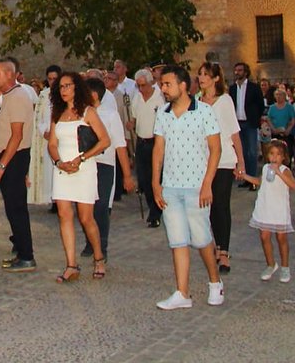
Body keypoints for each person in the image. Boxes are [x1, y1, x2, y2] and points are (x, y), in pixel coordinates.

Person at [152, 64, 224, 310]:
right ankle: (182, 292)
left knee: (202, 238)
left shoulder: (204, 111)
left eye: (168, 84)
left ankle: (215, 282)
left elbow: (216, 149)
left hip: (196, 186)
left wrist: (207, 184)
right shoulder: (162, 113)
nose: (163, 88)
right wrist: (155, 183)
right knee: (178, 240)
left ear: (183, 86)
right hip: (171, 186)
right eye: (162, 84)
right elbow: (158, 150)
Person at [48, 72, 110, 282]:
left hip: (83, 168)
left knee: (85, 218)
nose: (64, 90)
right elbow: (52, 144)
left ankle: (99, 257)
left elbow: (104, 141)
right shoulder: (57, 113)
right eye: (61, 87)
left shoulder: (88, 112)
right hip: (62, 169)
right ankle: (71, 264)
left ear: (77, 88)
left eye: (68, 86)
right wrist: (59, 162)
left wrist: (81, 158)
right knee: (64, 215)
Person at [0, 59, 36, 272]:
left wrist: (2, 165)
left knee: (16, 208)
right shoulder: (9, 96)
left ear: (9, 74)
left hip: (13, 157)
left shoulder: (17, 97)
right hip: (10, 157)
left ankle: (26, 256)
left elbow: (17, 136)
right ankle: (22, 252)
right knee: (12, 207)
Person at [197, 62, 242, 275]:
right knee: (208, 205)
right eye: (200, 74)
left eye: (206, 74)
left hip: (223, 159)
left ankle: (224, 250)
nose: (201, 77)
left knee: (221, 204)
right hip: (202, 160)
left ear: (216, 78)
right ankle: (214, 244)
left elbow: (234, 132)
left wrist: (241, 162)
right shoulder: (196, 101)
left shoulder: (225, 101)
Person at [86, 75, 134, 264]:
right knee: (87, 206)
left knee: (101, 205)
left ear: (95, 94)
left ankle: (102, 245)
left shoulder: (110, 115)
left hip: (104, 164)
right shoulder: (80, 113)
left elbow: (120, 146)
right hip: (86, 165)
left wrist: (127, 176)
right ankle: (91, 242)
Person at [239, 139, 295, 283]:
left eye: (278, 154)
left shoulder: (285, 170)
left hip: (279, 209)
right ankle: (270, 264)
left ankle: (285, 267)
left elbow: (293, 185)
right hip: (265, 207)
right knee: (264, 237)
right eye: (272, 154)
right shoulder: (265, 168)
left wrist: (279, 173)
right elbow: (260, 182)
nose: (274, 157)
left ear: (283, 157)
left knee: (281, 238)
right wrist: (245, 176)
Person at [131, 67, 166, 227]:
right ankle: (153, 206)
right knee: (144, 179)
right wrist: (131, 123)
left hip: (155, 142)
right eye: (138, 85)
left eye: (143, 85)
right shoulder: (136, 98)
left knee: (155, 177)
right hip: (141, 141)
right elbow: (134, 117)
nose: (141, 88)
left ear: (151, 83)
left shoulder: (160, 97)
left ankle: (155, 213)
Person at [230, 62, 264, 188]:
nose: (237, 72)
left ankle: (252, 180)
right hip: (237, 123)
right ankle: (245, 178)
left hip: (250, 123)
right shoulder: (233, 88)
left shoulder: (253, 87)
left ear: (245, 72)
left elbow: (260, 105)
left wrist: (255, 117)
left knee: (251, 152)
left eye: (240, 70)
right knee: (242, 152)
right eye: (236, 70)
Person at [31, 65, 59, 211]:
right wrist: (44, 131)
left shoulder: (65, 93)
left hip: (61, 137)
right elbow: (38, 117)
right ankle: (52, 198)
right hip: (48, 136)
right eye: (50, 79)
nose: (52, 81)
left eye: (55, 78)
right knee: (49, 170)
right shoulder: (44, 95)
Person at [266, 88, 295, 167]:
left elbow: (292, 120)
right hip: (276, 133)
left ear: (284, 96)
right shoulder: (272, 107)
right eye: (277, 95)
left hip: (287, 134)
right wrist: (273, 129)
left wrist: (288, 130)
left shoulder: (289, 107)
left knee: (287, 152)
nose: (278, 97)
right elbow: (269, 119)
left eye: (280, 95)